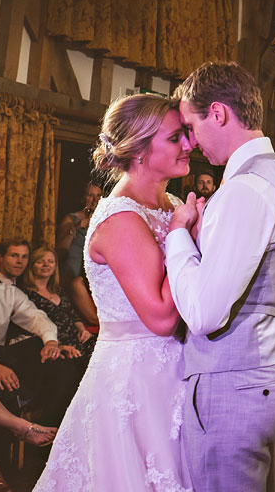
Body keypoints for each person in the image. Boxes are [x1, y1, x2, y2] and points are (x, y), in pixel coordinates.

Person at [34, 94, 192, 491]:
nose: (189, 145)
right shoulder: (122, 217)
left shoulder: (171, 203)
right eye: (176, 138)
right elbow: (160, 317)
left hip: (179, 371)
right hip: (138, 381)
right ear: (139, 149)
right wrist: (182, 236)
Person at [167, 61, 275, 491]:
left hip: (236, 379)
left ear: (219, 114)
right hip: (264, 370)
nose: (190, 142)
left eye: (191, 125)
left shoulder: (245, 189)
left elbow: (205, 314)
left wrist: (178, 240)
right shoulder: (274, 176)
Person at [0, 241, 81, 491]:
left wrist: (51, 342)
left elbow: (37, 317)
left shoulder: (8, 293)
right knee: (0, 390)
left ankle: (50, 447)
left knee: (61, 365)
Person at [21, 246, 95, 358]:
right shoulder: (25, 294)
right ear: (31, 265)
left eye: (50, 261)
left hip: (79, 340)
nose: (46, 265)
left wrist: (82, 330)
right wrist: (58, 346)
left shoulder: (58, 290)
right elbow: (31, 327)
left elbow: (74, 316)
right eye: (40, 262)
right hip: (56, 346)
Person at [55, 182, 102, 283]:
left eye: (99, 196)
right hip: (73, 272)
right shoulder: (70, 219)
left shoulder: (105, 220)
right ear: (83, 198)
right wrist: (76, 228)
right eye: (90, 195)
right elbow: (60, 249)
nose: (95, 200)